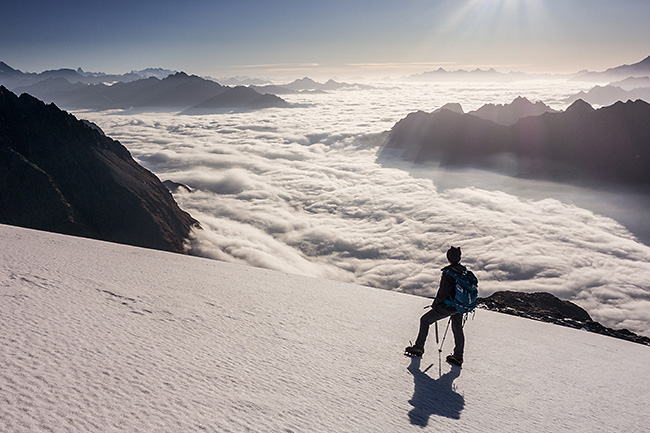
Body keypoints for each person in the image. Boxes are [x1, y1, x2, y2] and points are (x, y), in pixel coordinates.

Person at [405, 246, 466, 366]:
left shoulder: (449, 272)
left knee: (425, 320)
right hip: (460, 306)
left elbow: (443, 292)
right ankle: (458, 356)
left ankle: (419, 347)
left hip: (448, 306)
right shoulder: (463, 271)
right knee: (457, 328)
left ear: (448, 258)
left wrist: (436, 304)